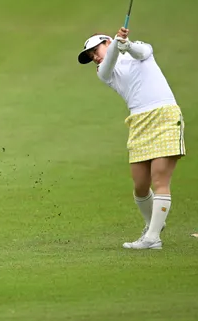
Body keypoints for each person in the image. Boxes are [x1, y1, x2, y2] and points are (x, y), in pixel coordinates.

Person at [77, 27, 185, 250]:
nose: (94, 57)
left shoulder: (141, 49)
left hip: (164, 114)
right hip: (138, 121)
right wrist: (118, 45)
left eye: (95, 50)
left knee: (159, 178)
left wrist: (127, 44)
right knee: (140, 186)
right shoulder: (103, 71)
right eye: (90, 56)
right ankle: (153, 225)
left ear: (106, 42)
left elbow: (141, 52)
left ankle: (152, 237)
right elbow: (109, 62)